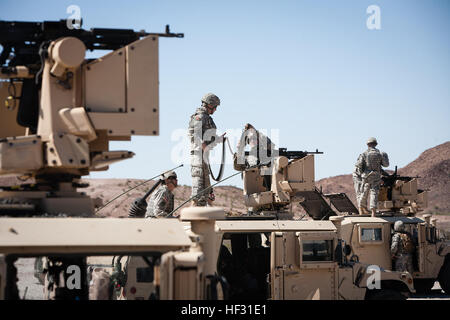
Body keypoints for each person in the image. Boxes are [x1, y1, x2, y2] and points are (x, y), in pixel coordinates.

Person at [188, 93, 225, 206]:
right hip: (198, 156)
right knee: (198, 192)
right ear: (210, 105)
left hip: (203, 157)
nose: (215, 110)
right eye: (215, 107)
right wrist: (203, 145)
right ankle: (193, 214)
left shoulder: (206, 117)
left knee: (205, 192)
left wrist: (218, 139)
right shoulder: (199, 116)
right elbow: (195, 133)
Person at [355, 137, 389, 217]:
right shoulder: (380, 153)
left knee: (364, 192)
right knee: (374, 193)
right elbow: (386, 165)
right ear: (376, 144)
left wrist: (362, 173)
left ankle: (361, 210)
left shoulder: (364, 154)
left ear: (368, 144)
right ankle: (373, 213)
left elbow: (359, 165)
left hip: (366, 176)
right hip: (376, 176)